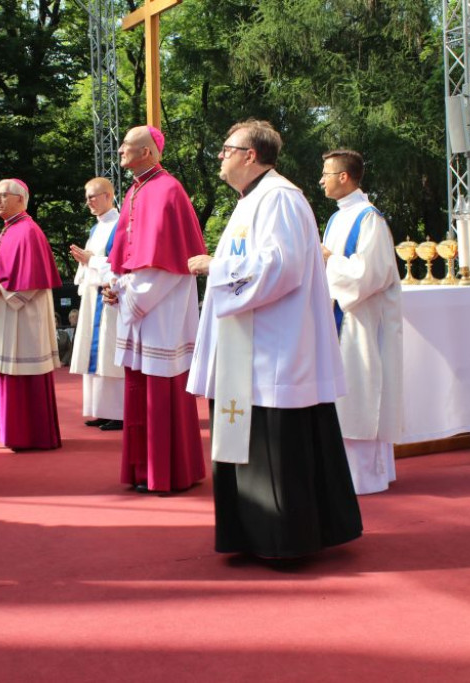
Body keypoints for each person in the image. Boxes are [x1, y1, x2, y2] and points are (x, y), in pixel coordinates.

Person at [187, 120, 361, 557]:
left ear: (250, 155)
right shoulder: (251, 200)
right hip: (251, 348)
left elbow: (281, 267)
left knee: (276, 443)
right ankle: (252, 534)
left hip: (272, 350)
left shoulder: (279, 198)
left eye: (227, 149)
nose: (221, 157)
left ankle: (284, 539)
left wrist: (216, 267)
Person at [104, 125, 207, 494]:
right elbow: (128, 257)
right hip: (142, 305)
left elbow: (170, 261)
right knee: (139, 388)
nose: (119, 151)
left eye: (126, 147)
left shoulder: (168, 190)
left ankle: (168, 471)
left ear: (146, 152)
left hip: (161, 308)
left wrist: (131, 295)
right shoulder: (135, 190)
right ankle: (143, 469)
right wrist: (115, 286)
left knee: (162, 391)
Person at [319, 149, 403, 495]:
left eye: (326, 173)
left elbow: (369, 275)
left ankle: (367, 477)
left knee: (361, 395)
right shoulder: (338, 218)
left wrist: (328, 259)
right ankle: (341, 474)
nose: (321, 180)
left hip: (360, 323)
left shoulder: (370, 220)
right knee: (345, 396)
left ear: (344, 177)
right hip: (340, 321)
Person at [0, 178, 62, 451]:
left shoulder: (28, 231)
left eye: (2, 196)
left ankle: (28, 434)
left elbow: (32, 282)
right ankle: (9, 430)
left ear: (20, 199)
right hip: (7, 314)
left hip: (23, 316)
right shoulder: (7, 231)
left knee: (23, 372)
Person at [68, 176, 125, 431]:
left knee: (109, 354)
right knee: (95, 355)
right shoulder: (95, 228)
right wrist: (86, 260)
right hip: (93, 296)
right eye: (87, 197)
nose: (89, 201)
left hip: (110, 296)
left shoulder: (120, 225)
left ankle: (121, 412)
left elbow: (117, 262)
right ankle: (102, 409)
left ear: (108, 196)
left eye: (93, 196)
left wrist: (91, 260)